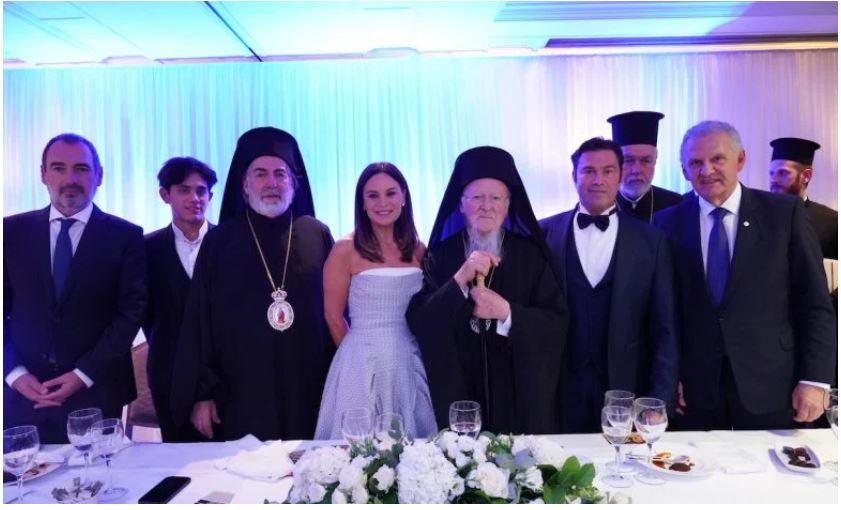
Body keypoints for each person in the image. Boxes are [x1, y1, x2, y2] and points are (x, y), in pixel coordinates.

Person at [653, 121, 836, 430]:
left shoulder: (784, 214)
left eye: (717, 159)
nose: (707, 170)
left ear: (740, 160)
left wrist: (814, 380)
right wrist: (668, 380)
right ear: (684, 171)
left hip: (773, 387)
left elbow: (815, 304)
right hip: (695, 393)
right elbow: (664, 313)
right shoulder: (666, 223)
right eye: (695, 163)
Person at [169, 127, 335, 441]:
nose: (271, 183)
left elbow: (338, 313)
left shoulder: (318, 234)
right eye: (260, 174)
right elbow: (200, 322)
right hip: (241, 391)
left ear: (293, 184)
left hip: (310, 384)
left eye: (280, 174)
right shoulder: (219, 242)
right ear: (244, 185)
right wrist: (203, 393)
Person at [406, 146, 568, 434]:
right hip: (459, 390)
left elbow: (557, 321)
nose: (486, 206)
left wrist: (507, 313)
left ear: (507, 205)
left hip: (516, 396)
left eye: (495, 198)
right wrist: (459, 280)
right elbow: (421, 322)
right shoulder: (440, 256)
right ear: (461, 205)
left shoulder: (531, 256)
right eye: (477, 197)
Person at [4, 133, 146, 443]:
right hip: (23, 395)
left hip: (97, 393)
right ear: (43, 174)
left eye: (81, 169)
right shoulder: (9, 233)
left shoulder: (127, 237)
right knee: (25, 473)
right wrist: (13, 373)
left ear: (99, 176)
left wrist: (83, 374)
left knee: (98, 473)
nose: (70, 179)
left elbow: (130, 314)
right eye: (58, 168)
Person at [540, 137, 679, 433]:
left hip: (627, 387)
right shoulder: (544, 234)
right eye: (588, 171)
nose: (598, 180)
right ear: (574, 175)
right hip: (559, 389)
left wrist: (660, 399)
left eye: (608, 171)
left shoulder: (651, 241)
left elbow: (665, 328)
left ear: (620, 174)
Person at [314, 163, 438, 440]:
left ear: (403, 197)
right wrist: (356, 358)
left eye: (390, 193)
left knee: (415, 447)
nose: (383, 203)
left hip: (408, 358)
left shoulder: (419, 249)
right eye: (373, 195)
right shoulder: (345, 249)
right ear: (362, 203)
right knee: (357, 450)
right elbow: (333, 316)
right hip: (360, 361)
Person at [143, 157, 217, 442]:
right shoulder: (145, 249)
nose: (194, 198)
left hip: (225, 375)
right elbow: (144, 313)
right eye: (184, 190)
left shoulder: (230, 243)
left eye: (201, 191)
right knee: (179, 457)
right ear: (165, 195)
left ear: (210, 196)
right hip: (170, 373)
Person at [768, 137, 837, 260]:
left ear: (806, 176)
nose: (773, 180)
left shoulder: (832, 222)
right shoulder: (759, 216)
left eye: (782, 173)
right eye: (771, 173)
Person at [607, 111, 684, 222]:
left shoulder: (677, 205)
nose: (636, 170)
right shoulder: (598, 206)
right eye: (628, 160)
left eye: (646, 161)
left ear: (655, 161)